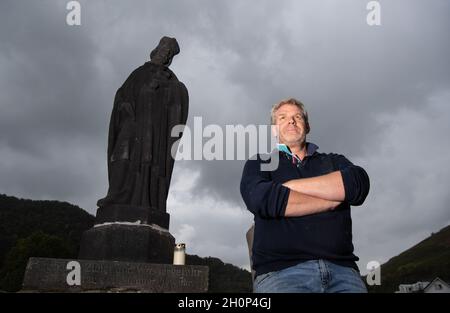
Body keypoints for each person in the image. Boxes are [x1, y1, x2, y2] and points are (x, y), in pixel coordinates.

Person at [240, 98, 370, 293]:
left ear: (307, 126)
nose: (291, 121)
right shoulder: (259, 162)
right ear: (274, 129)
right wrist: (333, 198)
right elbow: (262, 198)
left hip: (343, 272)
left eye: (297, 117)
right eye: (282, 118)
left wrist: (288, 188)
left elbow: (357, 184)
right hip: (281, 274)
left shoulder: (334, 161)